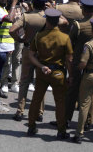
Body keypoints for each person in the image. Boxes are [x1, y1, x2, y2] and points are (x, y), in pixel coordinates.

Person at [26, 8, 73, 139]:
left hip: (42, 72)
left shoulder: (39, 36)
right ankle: (61, 130)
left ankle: (31, 126)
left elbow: (31, 55)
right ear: (58, 22)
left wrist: (41, 66)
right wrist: (71, 75)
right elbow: (69, 59)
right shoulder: (65, 37)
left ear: (47, 21)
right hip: (58, 73)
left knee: (36, 99)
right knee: (60, 102)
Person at [10, 0, 48, 122]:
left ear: (33, 3)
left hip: (28, 48)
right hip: (43, 52)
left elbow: (12, 30)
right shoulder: (48, 17)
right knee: (40, 82)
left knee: (25, 81)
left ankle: (20, 111)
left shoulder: (26, 17)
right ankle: (39, 112)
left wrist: (20, 39)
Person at [65, 0, 93, 127]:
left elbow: (70, 44)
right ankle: (88, 121)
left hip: (78, 63)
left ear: (83, 9)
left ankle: (66, 119)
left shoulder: (78, 25)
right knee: (89, 95)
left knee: (72, 92)